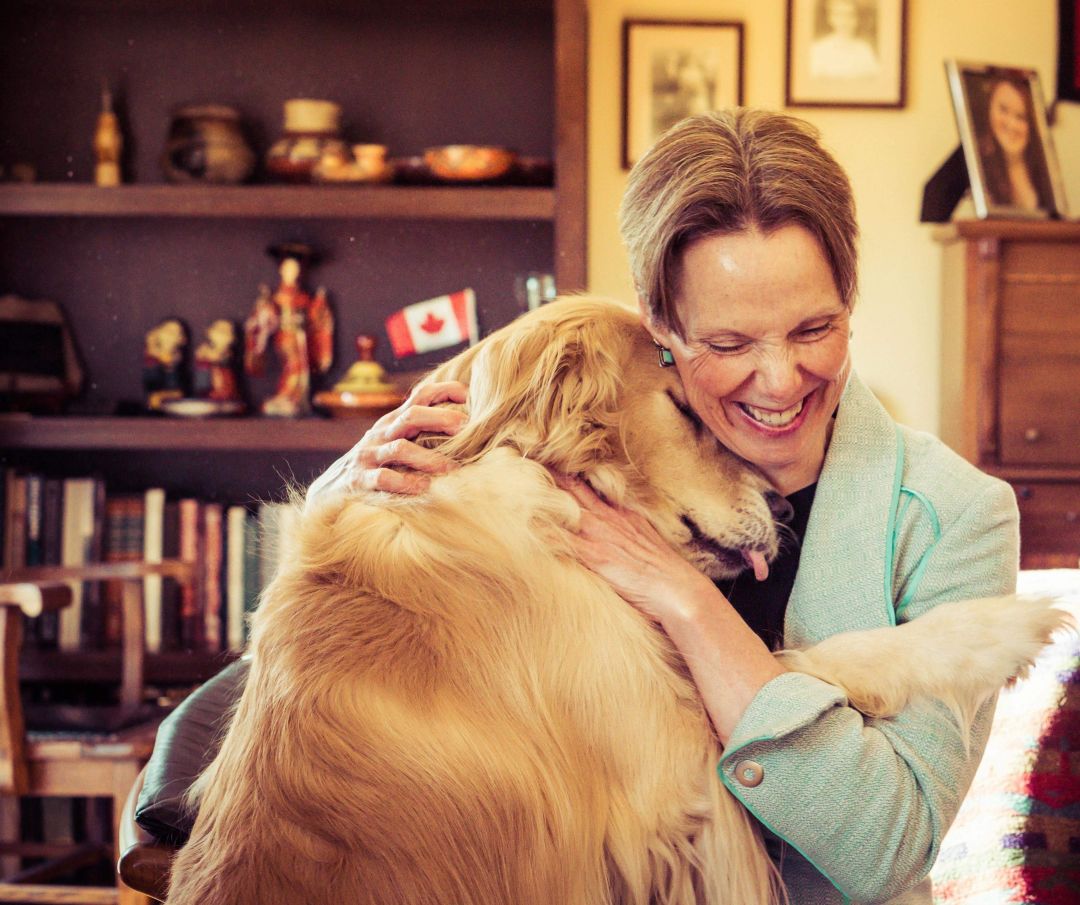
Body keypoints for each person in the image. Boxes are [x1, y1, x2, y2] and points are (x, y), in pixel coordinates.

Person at [311, 109, 1019, 904]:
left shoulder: (958, 515)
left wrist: (685, 601)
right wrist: (340, 494)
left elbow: (883, 845)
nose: (780, 380)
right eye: (728, 344)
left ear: (851, 302)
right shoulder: (584, 446)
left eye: (814, 328)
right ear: (663, 335)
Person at [975, 75, 1052, 212]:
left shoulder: (1045, 172)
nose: (1011, 125)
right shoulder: (977, 167)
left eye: (1021, 117)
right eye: (1003, 110)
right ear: (989, 108)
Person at [808, 0, 880, 80]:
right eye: (839, 15)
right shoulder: (819, 50)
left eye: (850, 15)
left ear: (856, 19)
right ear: (831, 18)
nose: (845, 20)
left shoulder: (864, 50)